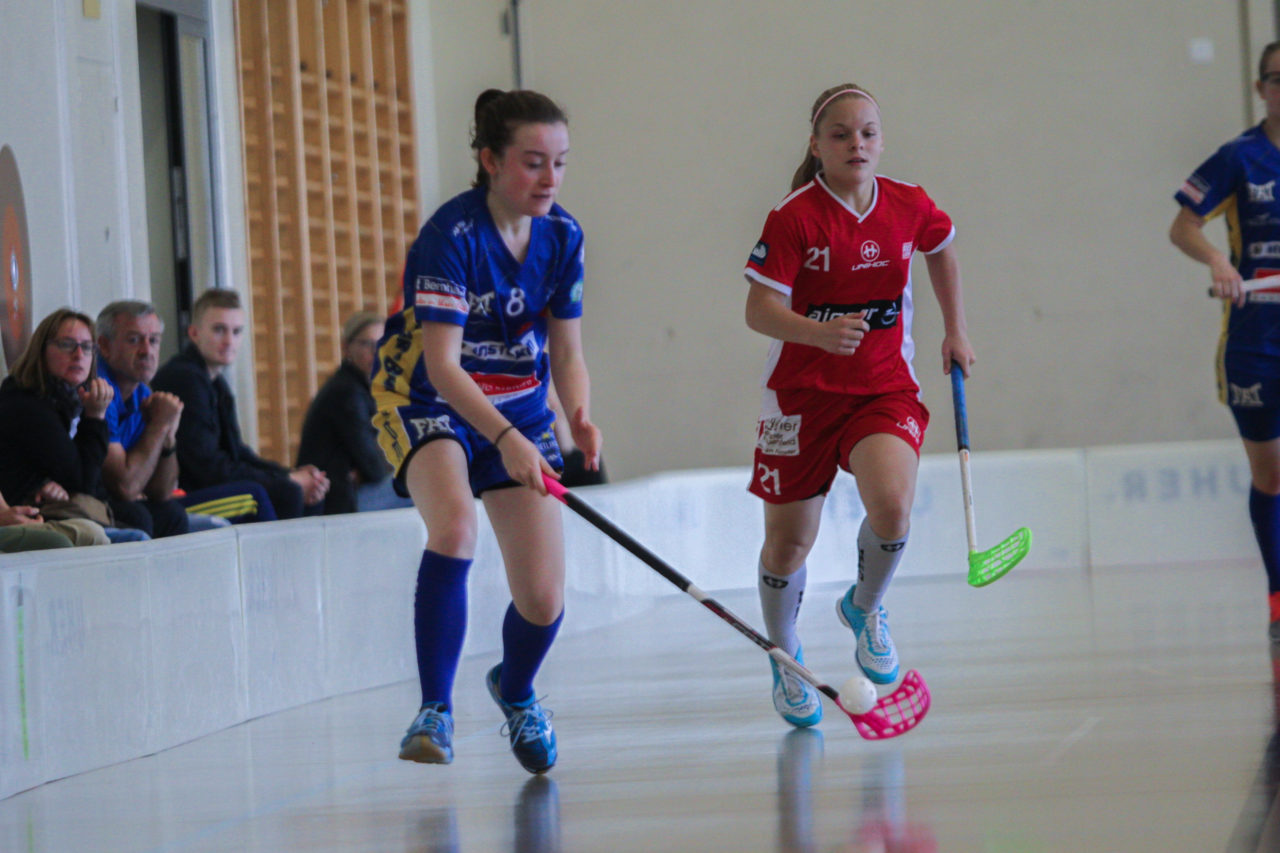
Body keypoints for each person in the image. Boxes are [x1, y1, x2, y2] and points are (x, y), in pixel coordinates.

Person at [372, 88, 601, 773]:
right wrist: (505, 439)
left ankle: (517, 688)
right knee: (455, 529)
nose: (549, 179)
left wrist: (580, 415)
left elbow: (566, 352)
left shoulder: (564, 236)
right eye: (533, 162)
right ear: (490, 160)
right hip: (425, 397)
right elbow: (441, 367)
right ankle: (434, 711)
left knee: (543, 597)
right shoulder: (450, 237)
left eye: (559, 163)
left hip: (521, 407)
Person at [742, 84, 974, 728]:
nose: (857, 144)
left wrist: (955, 329)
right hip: (801, 397)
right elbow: (757, 308)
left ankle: (864, 607)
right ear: (817, 147)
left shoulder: (908, 204)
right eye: (841, 135)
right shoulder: (793, 218)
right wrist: (818, 332)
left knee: (894, 507)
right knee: (789, 544)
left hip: (881, 388)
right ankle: (784, 655)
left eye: (868, 132)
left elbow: (943, 246)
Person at [1171, 41, 1280, 641]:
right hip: (1254, 342)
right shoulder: (1239, 158)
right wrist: (1217, 261)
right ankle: (1277, 592)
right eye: (1276, 79)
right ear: (1262, 88)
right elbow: (1182, 225)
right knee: (1271, 476)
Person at [152, 288, 329, 521]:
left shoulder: (216, 383)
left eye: (236, 332)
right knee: (285, 492)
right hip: (180, 496)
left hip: (207, 484)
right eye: (219, 330)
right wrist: (286, 481)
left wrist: (288, 474)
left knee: (305, 491)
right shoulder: (185, 379)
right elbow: (208, 468)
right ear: (194, 333)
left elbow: (237, 452)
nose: (229, 341)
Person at [0, 308, 147, 543]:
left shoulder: (67, 399)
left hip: (61, 506)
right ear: (42, 351)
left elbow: (86, 482)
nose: (79, 355)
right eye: (67, 345)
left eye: (87, 347)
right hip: (31, 511)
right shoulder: (26, 402)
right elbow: (83, 481)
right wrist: (96, 417)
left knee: (146, 515)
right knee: (137, 533)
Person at [94, 300, 190, 538]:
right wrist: (159, 424)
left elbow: (161, 492)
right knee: (136, 516)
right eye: (134, 340)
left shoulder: (143, 394)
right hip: (80, 497)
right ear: (104, 346)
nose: (147, 350)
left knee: (172, 514)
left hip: (112, 498)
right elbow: (125, 487)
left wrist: (168, 438)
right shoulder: (97, 387)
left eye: (154, 340)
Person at [296, 311, 409, 514]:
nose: (377, 352)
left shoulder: (368, 388)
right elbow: (375, 467)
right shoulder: (346, 392)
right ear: (346, 347)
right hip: (340, 501)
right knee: (425, 489)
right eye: (367, 344)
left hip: (356, 489)